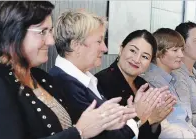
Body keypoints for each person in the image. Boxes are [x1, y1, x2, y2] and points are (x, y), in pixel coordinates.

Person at [0, 1, 129, 139]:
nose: (51, 41)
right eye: (42, 32)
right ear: (13, 33)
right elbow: (76, 131)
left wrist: (103, 122)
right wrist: (79, 132)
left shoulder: (42, 77)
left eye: (50, 31)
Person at [49, 10, 159, 139]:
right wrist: (137, 116)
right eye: (99, 41)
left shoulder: (87, 80)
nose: (105, 48)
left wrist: (131, 113)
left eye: (145, 56)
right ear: (76, 46)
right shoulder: (65, 84)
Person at [95, 29, 177, 139]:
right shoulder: (101, 82)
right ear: (121, 49)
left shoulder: (143, 84)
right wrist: (149, 120)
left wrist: (157, 121)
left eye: (145, 57)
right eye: (133, 51)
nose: (136, 59)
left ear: (149, 63)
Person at [142, 28, 196, 138]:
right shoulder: (150, 83)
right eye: (175, 50)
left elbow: (187, 121)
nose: (181, 55)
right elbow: (163, 130)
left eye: (182, 50)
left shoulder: (177, 78)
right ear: (158, 52)